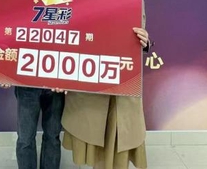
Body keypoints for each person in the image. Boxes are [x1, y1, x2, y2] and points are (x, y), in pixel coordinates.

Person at [61, 27, 151, 169]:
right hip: (93, 86)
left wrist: (145, 41)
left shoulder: (134, 10)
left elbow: (138, 35)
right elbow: (74, 33)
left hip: (123, 87)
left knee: (120, 143)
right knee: (94, 139)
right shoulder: (84, 11)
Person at [0, 83, 65, 169]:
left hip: (55, 86)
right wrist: (5, 76)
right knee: (25, 138)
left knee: (52, 137)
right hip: (26, 86)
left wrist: (67, 82)